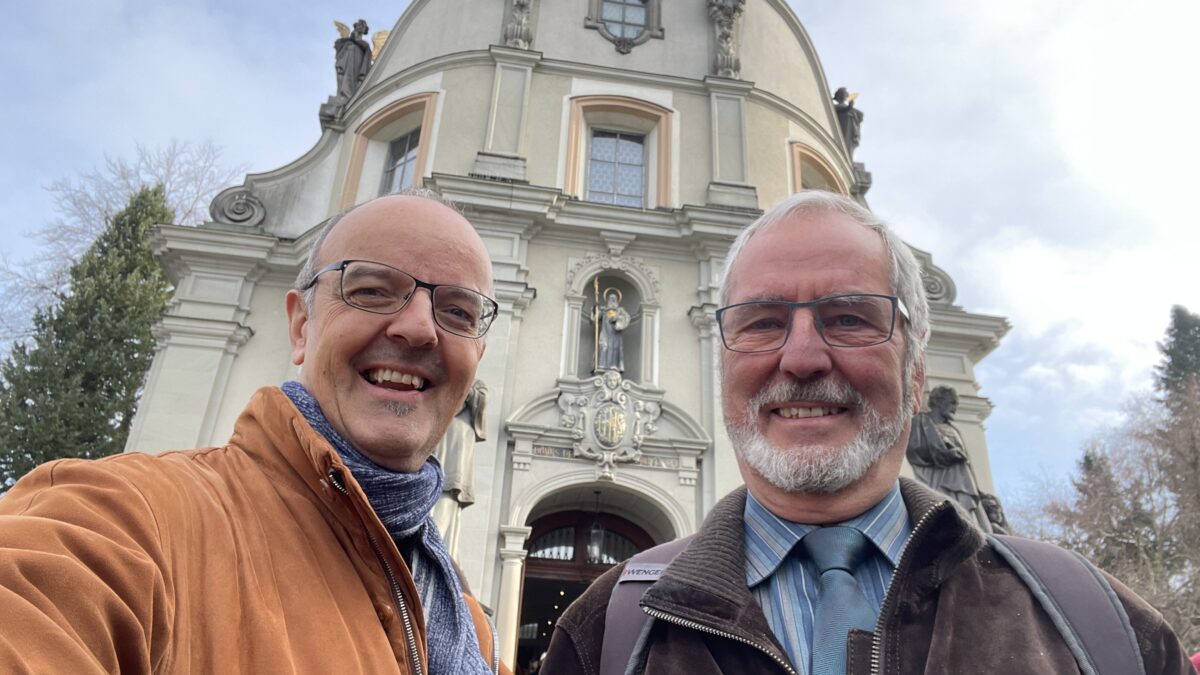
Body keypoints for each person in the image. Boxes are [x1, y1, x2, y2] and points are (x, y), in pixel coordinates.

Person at [541, 191, 1192, 674]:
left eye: (849, 317)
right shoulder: (604, 634)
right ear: (723, 364)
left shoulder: (1094, 624)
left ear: (915, 371)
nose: (800, 358)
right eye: (762, 322)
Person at [0, 192, 511, 674]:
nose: (419, 328)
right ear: (300, 327)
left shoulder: (472, 634)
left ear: (476, 361)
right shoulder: (127, 517)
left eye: (458, 312)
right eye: (372, 291)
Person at [905, 385, 991, 532]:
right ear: (939, 402)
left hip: (962, 482)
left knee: (968, 519)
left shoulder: (953, 429)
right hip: (935, 481)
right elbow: (913, 451)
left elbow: (967, 463)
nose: (955, 408)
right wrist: (946, 455)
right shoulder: (919, 422)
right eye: (952, 403)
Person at [431, 378, 488, 558]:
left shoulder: (476, 387)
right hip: (440, 443)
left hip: (457, 446)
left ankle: (435, 544)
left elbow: (480, 400)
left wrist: (467, 390)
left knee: (449, 493)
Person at [595, 291, 630, 373]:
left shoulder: (620, 310)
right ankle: (602, 364)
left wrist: (617, 318)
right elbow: (595, 318)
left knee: (614, 348)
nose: (612, 301)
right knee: (604, 346)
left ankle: (613, 365)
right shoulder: (604, 310)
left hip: (615, 334)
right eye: (611, 299)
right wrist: (596, 309)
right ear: (607, 300)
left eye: (614, 299)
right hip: (605, 333)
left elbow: (626, 318)